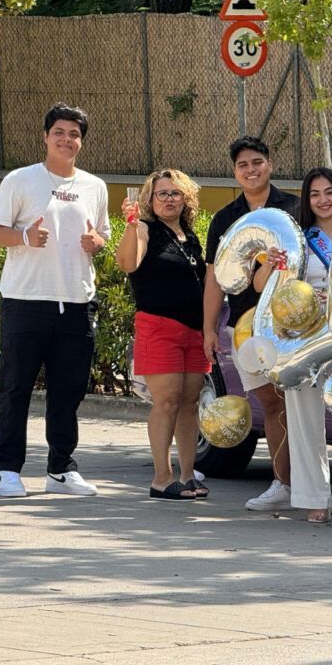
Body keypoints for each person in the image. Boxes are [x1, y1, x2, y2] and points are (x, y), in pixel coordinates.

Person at [0, 103, 110, 498]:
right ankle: (7, 469)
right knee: (15, 387)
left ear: (81, 142)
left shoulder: (95, 186)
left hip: (76, 301)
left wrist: (97, 243)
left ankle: (60, 469)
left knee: (68, 390)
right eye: (59, 132)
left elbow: (101, 234)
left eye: (74, 134)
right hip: (26, 299)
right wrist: (24, 238)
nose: (66, 140)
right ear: (45, 136)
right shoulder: (20, 180)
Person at [253, 168, 332, 525]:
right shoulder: (297, 239)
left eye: (329, 192)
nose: (323, 200)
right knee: (303, 420)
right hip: (302, 340)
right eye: (315, 194)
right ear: (307, 200)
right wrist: (274, 265)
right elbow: (262, 285)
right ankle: (314, 498)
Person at [203, 137, 299, 510]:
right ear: (235, 171)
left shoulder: (294, 207)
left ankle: (312, 485)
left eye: (257, 162)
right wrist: (209, 328)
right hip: (246, 327)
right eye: (243, 165)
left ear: (270, 164)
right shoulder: (226, 219)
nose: (251, 170)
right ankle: (283, 483)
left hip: (294, 324)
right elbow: (214, 278)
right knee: (272, 405)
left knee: (301, 405)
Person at [115, 169, 210, 500]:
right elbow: (127, 263)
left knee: (189, 403)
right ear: (150, 199)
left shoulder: (189, 236)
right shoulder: (143, 229)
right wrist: (130, 225)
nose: (169, 199)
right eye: (162, 193)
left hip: (194, 331)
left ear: (186, 199)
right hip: (159, 327)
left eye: (175, 193)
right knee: (167, 402)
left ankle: (187, 475)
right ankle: (161, 477)